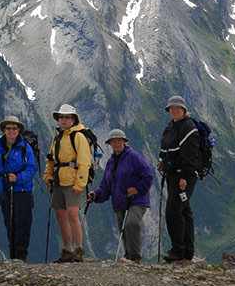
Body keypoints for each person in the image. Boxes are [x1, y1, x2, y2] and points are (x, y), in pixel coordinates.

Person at [86, 129, 153, 262]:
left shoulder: (133, 156)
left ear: (124, 142)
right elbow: (105, 187)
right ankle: (128, 256)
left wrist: (137, 189)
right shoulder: (111, 162)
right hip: (119, 202)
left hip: (137, 199)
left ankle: (134, 258)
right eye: (113, 141)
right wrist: (96, 195)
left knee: (131, 224)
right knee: (123, 230)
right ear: (110, 144)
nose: (116, 143)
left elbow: (148, 175)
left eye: (119, 140)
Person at [0, 115, 37, 261]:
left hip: (22, 191)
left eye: (14, 128)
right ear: (4, 130)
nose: (11, 131)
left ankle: (21, 255)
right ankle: (13, 256)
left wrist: (17, 179)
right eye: (8, 128)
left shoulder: (26, 147)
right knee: (9, 223)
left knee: (22, 224)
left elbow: (32, 169)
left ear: (19, 130)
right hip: (5, 190)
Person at [44, 104, 92, 263]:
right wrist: (48, 176)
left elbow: (84, 161)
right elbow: (51, 158)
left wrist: (80, 184)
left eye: (67, 117)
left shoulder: (78, 136)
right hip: (58, 180)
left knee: (72, 213)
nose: (63, 120)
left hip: (72, 181)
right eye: (61, 117)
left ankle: (79, 250)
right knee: (60, 215)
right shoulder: (58, 136)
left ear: (73, 119)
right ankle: (67, 250)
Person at [158, 95, 203, 262]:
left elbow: (190, 156)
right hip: (172, 174)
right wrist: (161, 161)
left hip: (183, 176)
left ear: (184, 110)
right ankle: (187, 251)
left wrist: (184, 177)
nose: (174, 110)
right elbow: (166, 149)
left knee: (173, 211)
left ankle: (178, 250)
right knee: (184, 210)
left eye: (177, 108)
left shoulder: (188, 127)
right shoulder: (171, 126)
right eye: (171, 108)